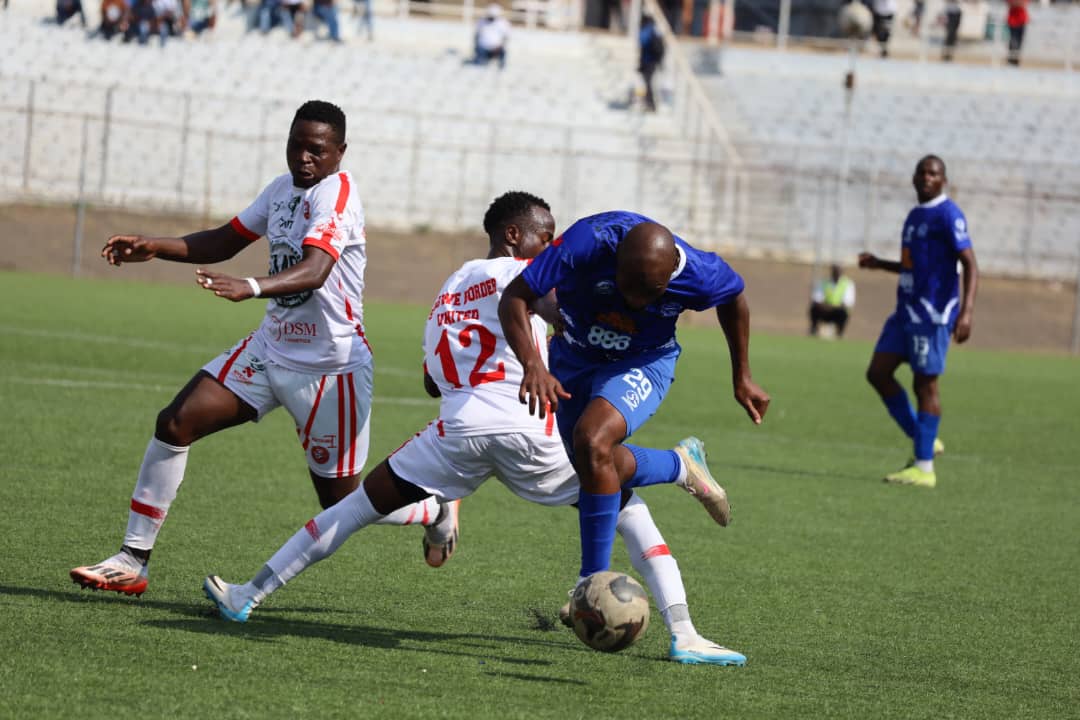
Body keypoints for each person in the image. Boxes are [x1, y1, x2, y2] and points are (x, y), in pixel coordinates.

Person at [202, 191, 746, 665]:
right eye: (544, 238)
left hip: (457, 430)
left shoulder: (451, 285)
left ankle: (248, 594)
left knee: (354, 508)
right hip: (528, 426)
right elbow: (557, 308)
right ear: (515, 237)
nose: (550, 248)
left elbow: (431, 380)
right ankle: (682, 626)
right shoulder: (528, 277)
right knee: (621, 501)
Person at [70, 100, 446, 597]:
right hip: (269, 352)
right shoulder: (281, 189)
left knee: (342, 502)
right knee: (176, 422)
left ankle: (433, 510)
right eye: (296, 146)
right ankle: (132, 560)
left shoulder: (338, 196)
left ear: (340, 152)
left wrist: (251, 286)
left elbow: (316, 270)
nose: (303, 158)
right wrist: (156, 246)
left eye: (316, 150)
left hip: (330, 370)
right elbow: (226, 239)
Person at [498, 211, 770, 596]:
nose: (635, 302)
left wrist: (742, 374)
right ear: (615, 261)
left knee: (593, 439)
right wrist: (533, 365)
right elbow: (515, 296)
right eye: (627, 288)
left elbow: (733, 297)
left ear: (670, 274)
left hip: (643, 361)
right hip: (573, 355)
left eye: (648, 294)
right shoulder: (585, 242)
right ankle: (680, 465)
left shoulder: (700, 273)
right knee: (592, 463)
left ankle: (590, 584)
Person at [858, 155, 978, 488]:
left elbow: (970, 264)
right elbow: (913, 266)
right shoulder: (914, 216)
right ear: (913, 178)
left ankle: (924, 468)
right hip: (905, 311)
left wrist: (966, 312)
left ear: (944, 181)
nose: (927, 177)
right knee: (877, 373)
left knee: (925, 385)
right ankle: (924, 438)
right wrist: (880, 263)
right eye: (922, 172)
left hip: (932, 314)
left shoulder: (949, 214)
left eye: (934, 173)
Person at [809, 263, 856, 338]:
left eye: (839, 271)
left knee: (844, 312)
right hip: (824, 311)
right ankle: (814, 330)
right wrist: (827, 307)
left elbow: (847, 303)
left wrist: (832, 307)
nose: (837, 273)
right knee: (813, 308)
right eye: (835, 270)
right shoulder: (824, 282)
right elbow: (817, 300)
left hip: (838, 312)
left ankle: (840, 333)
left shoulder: (847, 284)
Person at [638, 15, 665, 112]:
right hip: (652, 61)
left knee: (648, 83)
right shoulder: (655, 30)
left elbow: (643, 42)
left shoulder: (647, 31)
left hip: (648, 61)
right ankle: (650, 103)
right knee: (649, 83)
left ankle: (650, 104)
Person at [474, 3, 510, 68]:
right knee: (480, 64)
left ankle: (500, 63)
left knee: (503, 53)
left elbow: (506, 37)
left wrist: (500, 46)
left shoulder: (503, 23)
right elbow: (476, 35)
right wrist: (476, 47)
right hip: (483, 47)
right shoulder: (481, 22)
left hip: (497, 48)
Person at [1006, 0, 1028, 66]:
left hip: (1022, 20)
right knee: (1013, 41)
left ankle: (1016, 61)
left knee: (1019, 42)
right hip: (1012, 20)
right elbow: (1010, 3)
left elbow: (1024, 3)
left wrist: (1017, 3)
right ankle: (1011, 60)